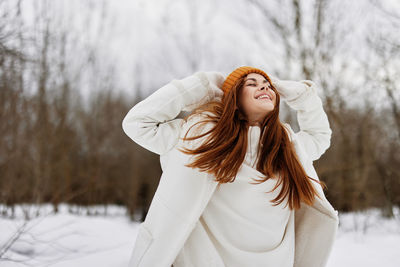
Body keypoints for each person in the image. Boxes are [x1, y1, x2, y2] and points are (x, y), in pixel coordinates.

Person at [122, 66, 339, 267]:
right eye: (251, 83)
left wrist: (303, 96)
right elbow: (138, 122)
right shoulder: (198, 136)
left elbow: (319, 137)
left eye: (268, 84)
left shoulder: (287, 146)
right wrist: (204, 85)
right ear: (233, 97)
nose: (264, 86)